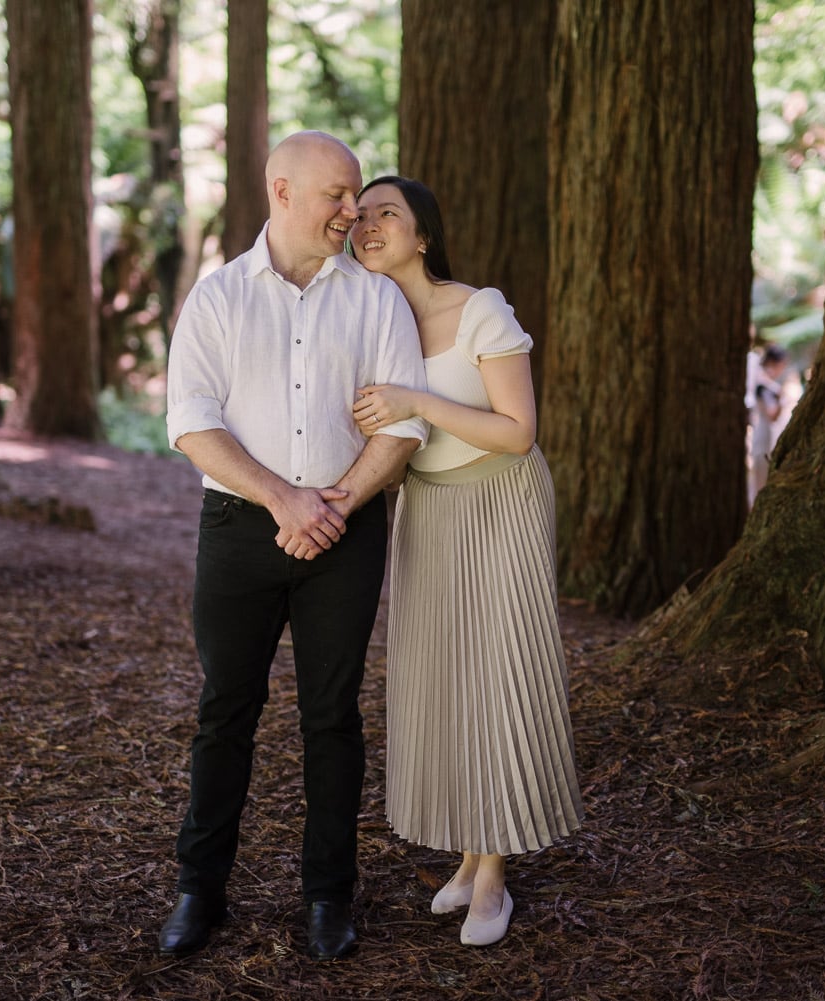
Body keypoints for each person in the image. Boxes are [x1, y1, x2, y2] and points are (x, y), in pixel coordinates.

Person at [160, 134, 428, 960]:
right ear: (282, 191)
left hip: (346, 532)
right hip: (239, 532)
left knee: (332, 718)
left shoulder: (377, 299)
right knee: (224, 714)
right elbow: (191, 423)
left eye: (357, 196)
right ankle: (199, 891)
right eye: (338, 196)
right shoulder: (217, 298)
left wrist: (333, 503)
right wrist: (283, 497)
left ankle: (328, 898)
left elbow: (406, 423)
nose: (355, 211)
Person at [347, 176, 583, 947]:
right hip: (428, 509)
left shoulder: (479, 306)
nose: (368, 222)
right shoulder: (370, 320)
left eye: (389, 212)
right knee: (445, 677)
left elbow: (517, 430)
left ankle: (494, 874)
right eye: (363, 213)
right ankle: (469, 848)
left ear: (423, 237)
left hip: (499, 500)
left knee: (498, 672)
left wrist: (417, 400)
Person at [747, 343, 790, 508]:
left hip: (768, 439)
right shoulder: (764, 387)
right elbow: (772, 414)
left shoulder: (767, 385)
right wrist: (782, 399)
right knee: (760, 486)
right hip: (763, 439)